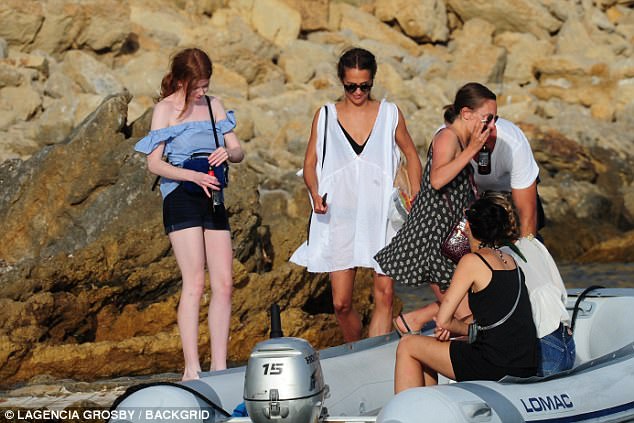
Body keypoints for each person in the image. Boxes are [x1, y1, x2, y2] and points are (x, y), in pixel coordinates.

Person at [290, 48, 422, 342]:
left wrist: (415, 198)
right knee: (341, 303)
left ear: (372, 80)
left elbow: (412, 155)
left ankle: (374, 356)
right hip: (339, 216)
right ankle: (356, 350)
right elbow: (309, 163)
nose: (358, 92)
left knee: (385, 294)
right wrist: (314, 193)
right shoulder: (325, 116)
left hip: (383, 216)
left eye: (365, 86)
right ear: (342, 81)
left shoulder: (390, 114)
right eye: (351, 86)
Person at [134, 48, 244, 380]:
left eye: (206, 85)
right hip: (181, 195)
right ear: (182, 80)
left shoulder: (214, 105)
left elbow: (238, 150)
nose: (202, 91)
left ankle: (220, 367)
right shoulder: (164, 109)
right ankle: (191, 368)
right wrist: (191, 176)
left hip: (214, 195)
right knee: (195, 282)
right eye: (197, 86)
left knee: (224, 283)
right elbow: (154, 163)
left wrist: (228, 152)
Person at [374, 82, 496, 335]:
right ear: (466, 113)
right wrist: (472, 150)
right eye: (488, 118)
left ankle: (413, 320)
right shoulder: (447, 138)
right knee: (467, 316)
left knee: (473, 300)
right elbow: (437, 179)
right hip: (434, 241)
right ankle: (433, 341)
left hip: (451, 239)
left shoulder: (464, 141)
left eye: (495, 119)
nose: (492, 125)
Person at [394, 197, 538, 393]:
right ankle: (428, 405)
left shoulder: (472, 261)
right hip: (525, 362)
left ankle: (408, 410)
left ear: (467, 227)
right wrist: (465, 330)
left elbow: (443, 321)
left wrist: (453, 328)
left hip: (494, 364)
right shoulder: (511, 260)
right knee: (428, 351)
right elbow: (495, 317)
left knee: (408, 345)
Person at [486, 192, 575, 376]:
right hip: (567, 342)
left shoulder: (499, 260)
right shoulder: (533, 244)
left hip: (544, 346)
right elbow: (560, 291)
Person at [470, 113, 542, 237]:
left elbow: (527, 215)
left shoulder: (513, 141)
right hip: (481, 205)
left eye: (494, 120)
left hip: (512, 199)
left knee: (529, 238)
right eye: (486, 122)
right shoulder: (450, 138)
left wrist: (528, 246)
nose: (492, 126)